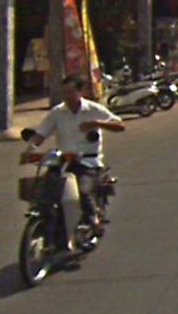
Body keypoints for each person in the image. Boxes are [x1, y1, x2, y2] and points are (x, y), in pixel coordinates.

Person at [26, 75, 125, 234]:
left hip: (88, 162)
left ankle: (93, 220)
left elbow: (119, 125)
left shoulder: (93, 109)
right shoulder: (57, 112)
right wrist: (30, 149)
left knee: (83, 191)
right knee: (45, 190)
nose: (67, 96)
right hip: (64, 161)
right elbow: (41, 133)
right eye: (64, 92)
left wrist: (96, 123)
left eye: (70, 92)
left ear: (80, 92)